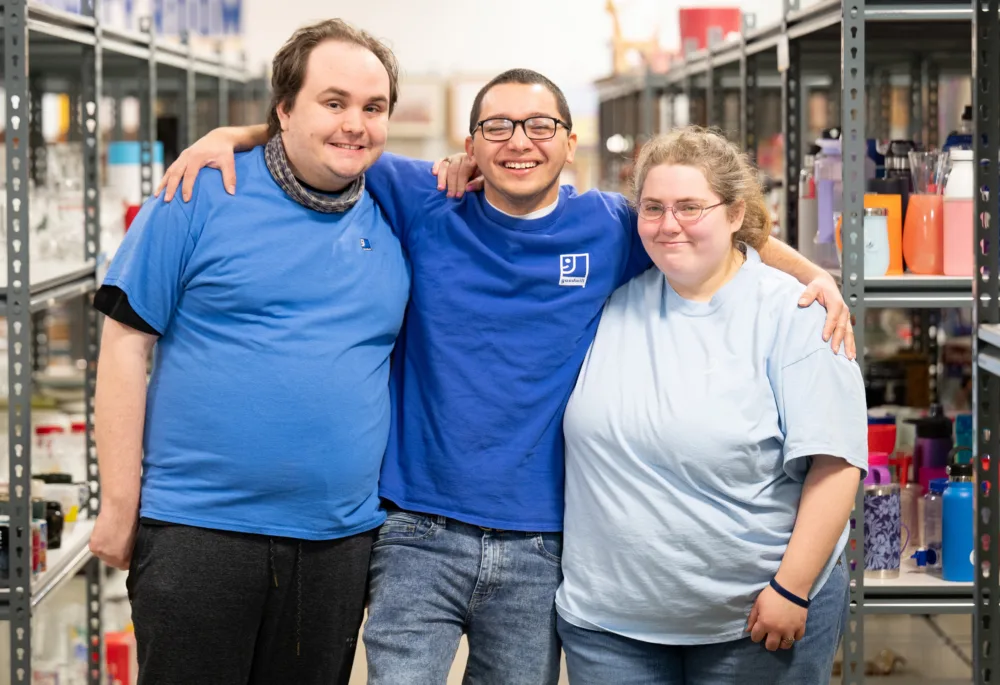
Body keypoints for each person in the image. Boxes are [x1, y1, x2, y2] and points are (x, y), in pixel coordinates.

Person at [156, 69, 854, 685]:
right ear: (471, 145)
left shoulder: (613, 227)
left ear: (569, 141)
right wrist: (232, 133)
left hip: (541, 543)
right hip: (417, 531)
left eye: (539, 124)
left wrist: (812, 274)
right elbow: (336, 139)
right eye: (498, 125)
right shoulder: (426, 197)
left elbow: (710, 223)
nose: (519, 140)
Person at [89, 19, 409, 685]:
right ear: (284, 109)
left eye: (372, 107)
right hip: (197, 533)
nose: (355, 123)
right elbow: (123, 345)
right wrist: (119, 506)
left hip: (337, 542)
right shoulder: (199, 191)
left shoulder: (397, 207)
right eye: (333, 101)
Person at [555, 126, 867, 684]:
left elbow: (837, 462)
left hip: (754, 622)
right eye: (653, 208)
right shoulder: (610, 301)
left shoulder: (794, 313)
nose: (668, 223)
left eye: (691, 207)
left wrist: (791, 587)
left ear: (733, 213)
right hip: (609, 626)